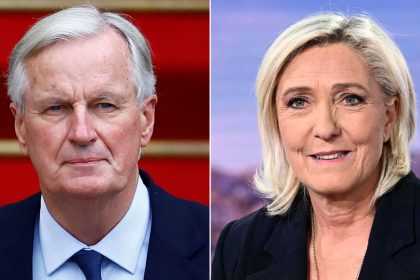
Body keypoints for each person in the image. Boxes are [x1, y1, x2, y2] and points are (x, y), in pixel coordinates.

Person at [0, 4, 208, 280]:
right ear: (21, 126)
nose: (82, 133)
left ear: (146, 119)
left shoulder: (220, 249)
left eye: (105, 105)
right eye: (56, 108)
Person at [212, 12, 420, 280]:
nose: (325, 129)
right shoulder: (240, 246)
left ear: (390, 116)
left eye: (351, 99)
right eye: (298, 102)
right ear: (275, 122)